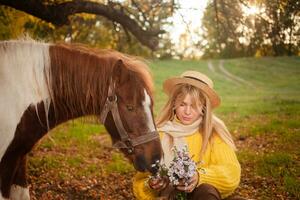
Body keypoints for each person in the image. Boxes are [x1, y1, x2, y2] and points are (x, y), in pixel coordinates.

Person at [132, 71, 241, 200]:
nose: (187, 112)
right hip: (169, 196)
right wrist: (150, 185)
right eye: (182, 104)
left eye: (194, 106)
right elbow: (140, 180)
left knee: (206, 190)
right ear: (174, 104)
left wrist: (200, 176)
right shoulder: (159, 134)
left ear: (204, 107)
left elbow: (231, 172)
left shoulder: (213, 133)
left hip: (202, 196)